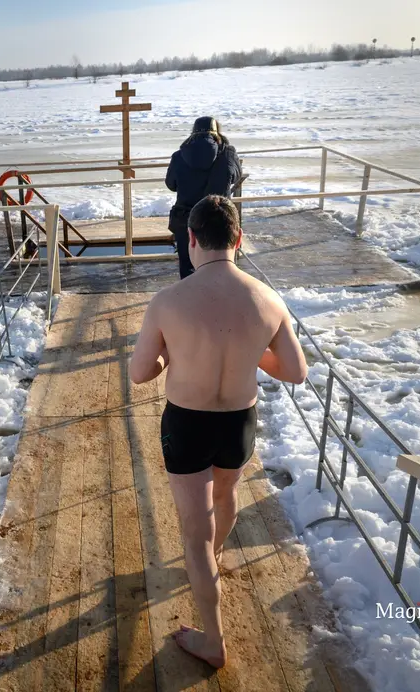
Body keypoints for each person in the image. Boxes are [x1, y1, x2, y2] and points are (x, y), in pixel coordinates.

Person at [129, 195, 308, 668]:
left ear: (191, 240)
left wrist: (172, 356)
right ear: (238, 239)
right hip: (238, 423)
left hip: (187, 422)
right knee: (225, 497)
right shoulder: (267, 299)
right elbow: (295, 370)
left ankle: (213, 641)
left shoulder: (169, 300)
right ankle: (216, 557)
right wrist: (249, 352)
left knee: (193, 534)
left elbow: (139, 372)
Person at [165, 116, 242, 279]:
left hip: (185, 219)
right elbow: (235, 177)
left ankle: (190, 302)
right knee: (221, 268)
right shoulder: (227, 153)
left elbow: (171, 184)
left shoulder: (179, 156)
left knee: (188, 271)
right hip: (219, 219)